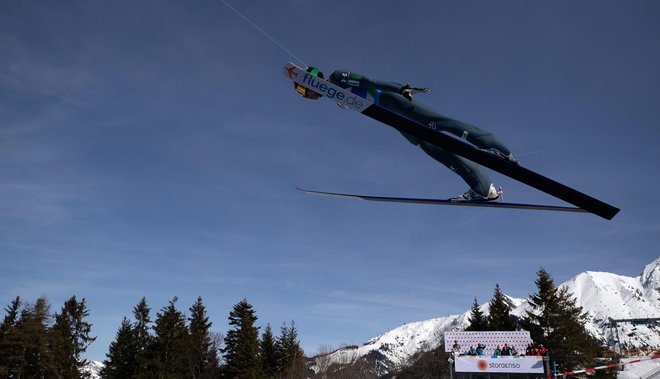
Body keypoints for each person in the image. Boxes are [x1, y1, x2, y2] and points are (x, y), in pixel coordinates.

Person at [294, 66, 519, 201]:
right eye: (302, 93)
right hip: (394, 119)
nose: (305, 95)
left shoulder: (336, 77)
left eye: (303, 88)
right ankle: (482, 187)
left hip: (393, 102)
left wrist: (399, 87)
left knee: (439, 123)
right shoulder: (335, 98)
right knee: (434, 148)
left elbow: (368, 81)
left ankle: (493, 145)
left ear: (310, 77)